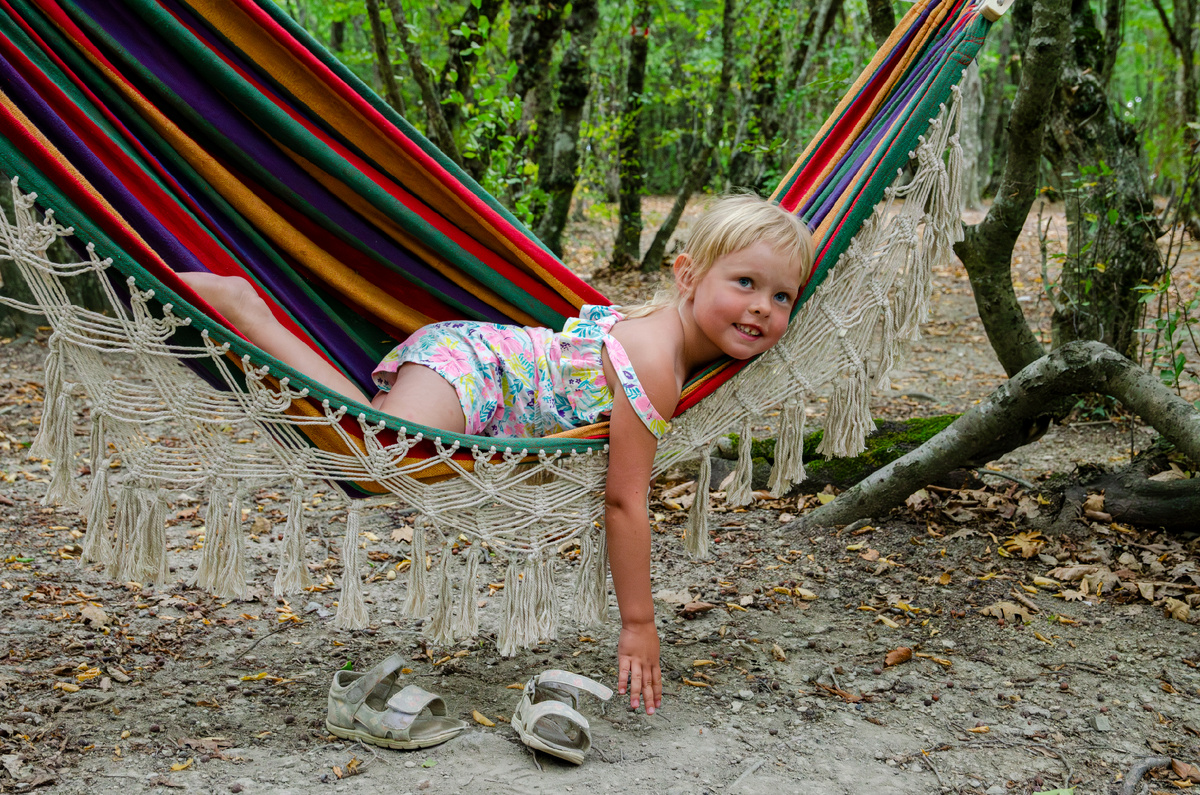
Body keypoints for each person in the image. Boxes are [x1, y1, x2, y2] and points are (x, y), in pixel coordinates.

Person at [178, 195, 814, 716]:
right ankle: (245, 310)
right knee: (376, 460)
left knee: (375, 461)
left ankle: (249, 315)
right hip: (474, 371)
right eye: (745, 283)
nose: (762, 306)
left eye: (782, 296)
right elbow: (623, 500)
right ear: (687, 275)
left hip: (480, 375)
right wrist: (639, 622)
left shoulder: (676, 343)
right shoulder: (655, 360)